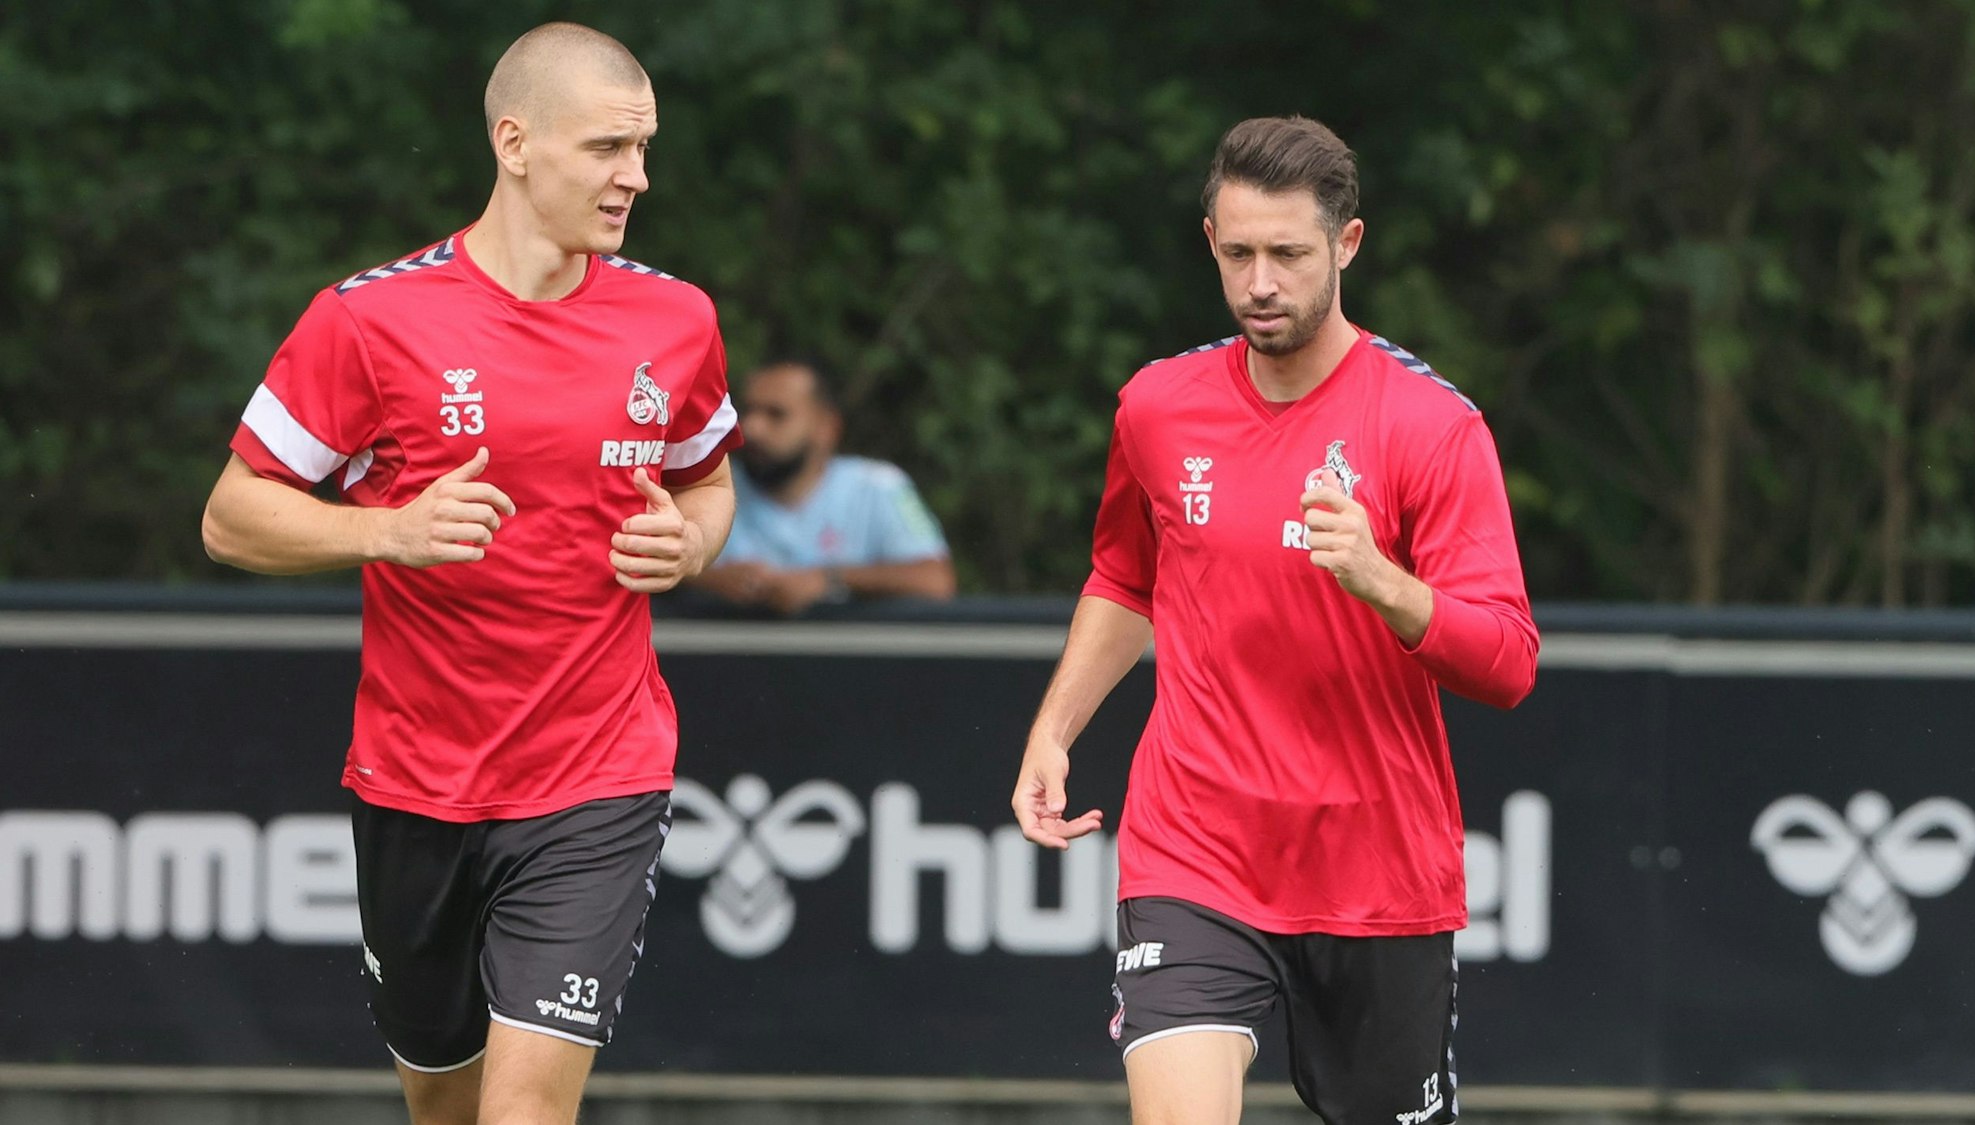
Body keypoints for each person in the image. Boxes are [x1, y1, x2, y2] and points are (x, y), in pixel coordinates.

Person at [200, 23, 739, 1125]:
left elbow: (709, 485)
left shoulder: (675, 320)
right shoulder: (370, 319)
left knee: (525, 1111)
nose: (633, 177)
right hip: (415, 784)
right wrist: (386, 532)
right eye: (605, 149)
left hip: (598, 774)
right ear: (514, 143)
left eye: (642, 150)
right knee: (442, 1105)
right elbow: (230, 519)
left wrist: (689, 543)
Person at [1010, 116, 1539, 1125]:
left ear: (1344, 246)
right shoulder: (1156, 408)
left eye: (1288, 255)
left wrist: (1383, 583)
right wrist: (1053, 731)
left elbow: (1507, 661)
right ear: (1209, 240)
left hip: (1375, 870)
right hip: (1193, 845)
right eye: (1239, 252)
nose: (1260, 282)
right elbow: (1125, 580)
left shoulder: (1433, 428)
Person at [691, 358, 955, 614]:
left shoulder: (878, 486)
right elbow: (654, 566)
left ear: (826, 428)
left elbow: (935, 580)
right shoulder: (708, 484)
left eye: (776, 414)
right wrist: (703, 578)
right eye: (747, 411)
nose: (751, 428)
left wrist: (828, 580)